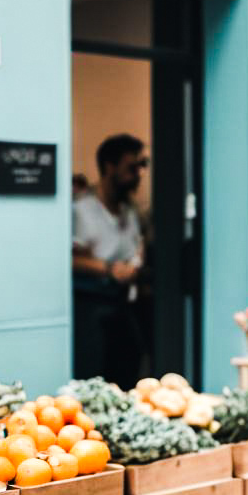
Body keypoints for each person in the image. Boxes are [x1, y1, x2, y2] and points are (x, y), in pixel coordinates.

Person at [72, 133, 148, 388]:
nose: (138, 174)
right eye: (131, 167)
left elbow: (138, 245)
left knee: (129, 366)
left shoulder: (129, 211)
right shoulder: (82, 210)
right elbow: (68, 259)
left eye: (141, 166)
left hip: (123, 303)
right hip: (90, 304)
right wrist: (108, 269)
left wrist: (136, 263)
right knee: (94, 373)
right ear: (109, 166)